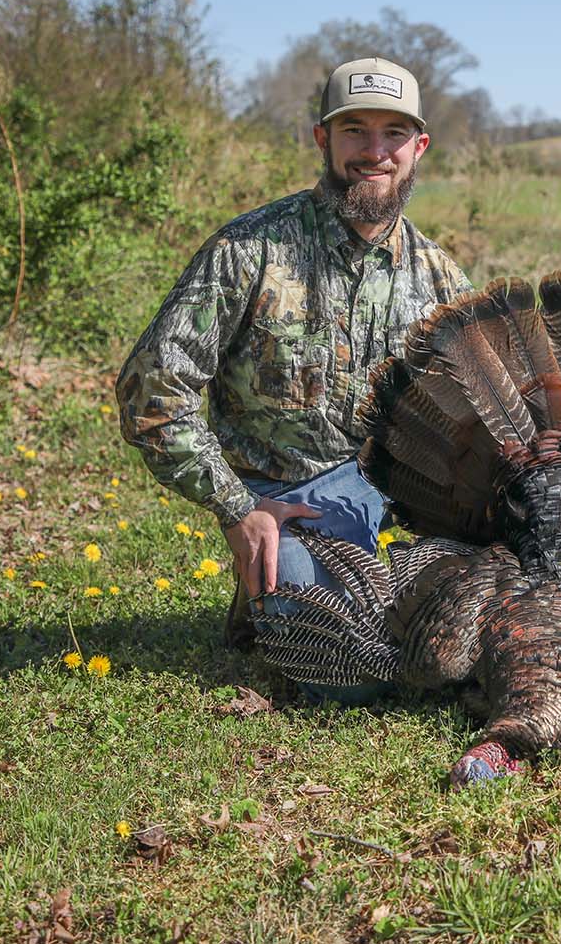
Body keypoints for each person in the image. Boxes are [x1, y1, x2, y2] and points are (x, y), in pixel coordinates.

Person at [116, 57, 472, 682]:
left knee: (476, 645)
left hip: (401, 510)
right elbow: (152, 390)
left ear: (419, 146)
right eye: (354, 130)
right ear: (322, 139)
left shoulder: (441, 278)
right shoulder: (249, 249)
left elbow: (466, 425)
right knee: (346, 671)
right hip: (293, 504)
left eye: (393, 133)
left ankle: (306, 597)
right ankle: (279, 585)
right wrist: (238, 507)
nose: (374, 151)